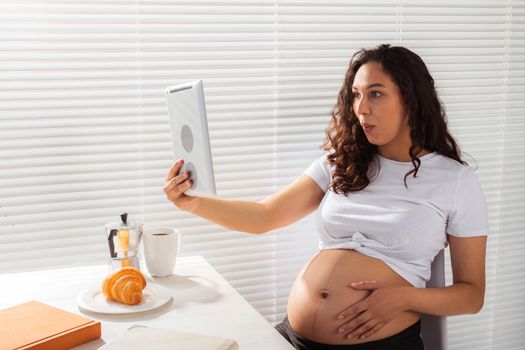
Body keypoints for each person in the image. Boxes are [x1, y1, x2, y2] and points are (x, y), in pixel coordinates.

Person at [163, 43, 488, 350]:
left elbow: (471, 295)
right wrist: (192, 202)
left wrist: (403, 298)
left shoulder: (455, 181)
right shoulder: (341, 163)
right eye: (356, 95)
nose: (361, 109)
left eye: (376, 94)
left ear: (412, 100)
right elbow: (263, 217)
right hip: (292, 337)